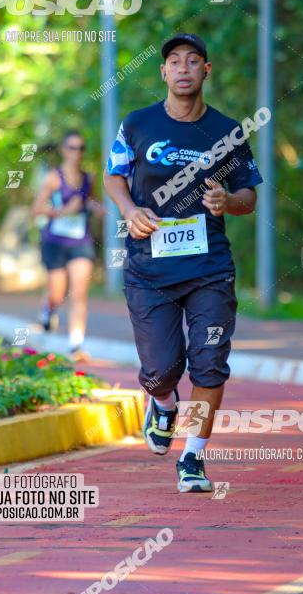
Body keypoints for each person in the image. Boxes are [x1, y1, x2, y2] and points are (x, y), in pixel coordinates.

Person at [104, 33, 264, 493]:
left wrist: (228, 199)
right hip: (149, 270)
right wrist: (130, 211)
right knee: (160, 371)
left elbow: (249, 197)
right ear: (163, 73)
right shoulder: (137, 124)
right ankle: (163, 402)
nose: (183, 68)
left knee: (210, 364)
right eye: (174, 61)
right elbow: (114, 176)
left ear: (206, 71)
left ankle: (193, 457)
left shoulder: (227, 131)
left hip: (209, 267)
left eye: (193, 61)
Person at [32, 129, 104, 355]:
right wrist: (64, 211)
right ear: (64, 150)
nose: (77, 152)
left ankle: (76, 343)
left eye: (81, 148)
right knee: (57, 292)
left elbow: (89, 201)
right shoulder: (54, 178)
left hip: (80, 241)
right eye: (72, 147)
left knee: (80, 291)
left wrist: (96, 207)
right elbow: (37, 209)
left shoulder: (88, 178)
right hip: (55, 241)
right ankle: (48, 308)